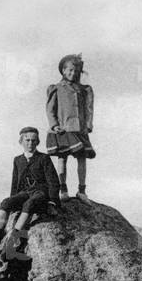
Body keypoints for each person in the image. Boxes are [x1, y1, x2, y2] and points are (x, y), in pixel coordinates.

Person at [0, 126, 61, 279]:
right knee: (5, 203)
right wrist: (12, 202)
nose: (30, 143)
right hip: (24, 193)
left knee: (29, 205)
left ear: (37, 142)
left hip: (40, 193)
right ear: (21, 141)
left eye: (33, 140)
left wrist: (52, 202)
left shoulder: (44, 158)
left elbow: (53, 182)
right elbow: (15, 183)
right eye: (27, 140)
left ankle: (10, 246)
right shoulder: (17, 160)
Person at [46, 54, 96, 204]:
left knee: (82, 158)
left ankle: (82, 191)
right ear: (63, 70)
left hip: (80, 129)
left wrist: (88, 124)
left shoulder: (84, 90)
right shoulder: (56, 88)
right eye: (70, 70)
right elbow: (50, 109)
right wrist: (54, 124)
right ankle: (63, 189)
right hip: (63, 128)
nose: (72, 73)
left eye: (76, 71)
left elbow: (89, 108)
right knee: (62, 157)